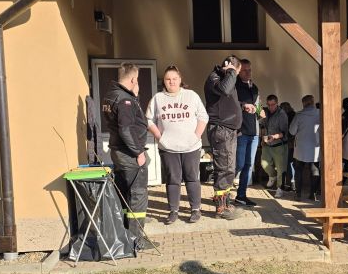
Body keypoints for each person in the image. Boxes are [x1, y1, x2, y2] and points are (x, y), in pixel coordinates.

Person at [146, 65, 208, 225]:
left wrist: (196, 136)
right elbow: (148, 120)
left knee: (192, 177)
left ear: (180, 80)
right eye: (168, 79)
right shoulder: (158, 98)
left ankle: (195, 209)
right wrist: (159, 137)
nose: (171, 82)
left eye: (174, 79)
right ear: (164, 81)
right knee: (173, 179)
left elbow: (203, 116)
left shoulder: (191, 95)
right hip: (168, 147)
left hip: (191, 146)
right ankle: (173, 211)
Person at [102, 62, 150, 247]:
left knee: (124, 195)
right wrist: (139, 152)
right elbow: (126, 129)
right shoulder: (124, 100)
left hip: (118, 152)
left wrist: (135, 96)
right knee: (137, 196)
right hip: (129, 154)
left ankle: (125, 236)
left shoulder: (112, 94)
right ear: (133, 79)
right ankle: (136, 240)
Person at [204, 56, 245, 219]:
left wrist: (242, 106)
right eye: (238, 71)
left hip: (229, 130)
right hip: (221, 129)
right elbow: (225, 90)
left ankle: (226, 203)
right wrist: (231, 72)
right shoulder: (215, 78)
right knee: (224, 169)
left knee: (229, 168)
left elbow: (226, 101)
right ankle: (221, 209)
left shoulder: (224, 78)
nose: (237, 75)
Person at [234, 59, 260, 207]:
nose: (248, 72)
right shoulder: (234, 86)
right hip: (241, 131)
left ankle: (241, 196)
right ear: (238, 71)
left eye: (250, 70)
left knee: (249, 165)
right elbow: (230, 104)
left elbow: (258, 105)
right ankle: (222, 193)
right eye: (245, 70)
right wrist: (243, 106)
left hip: (254, 132)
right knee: (238, 164)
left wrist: (260, 111)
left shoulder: (254, 87)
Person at [289, 95, 320, 201]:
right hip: (316, 147)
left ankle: (298, 194)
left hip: (301, 148)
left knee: (298, 170)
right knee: (314, 170)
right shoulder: (320, 113)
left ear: (303, 103)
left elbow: (292, 131)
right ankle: (313, 194)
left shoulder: (299, 115)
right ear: (313, 102)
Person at [260, 94, 290, 198]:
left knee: (281, 169)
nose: (270, 107)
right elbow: (262, 126)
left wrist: (274, 136)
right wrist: (262, 138)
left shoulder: (282, 114)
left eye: (272, 105)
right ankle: (272, 176)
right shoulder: (265, 111)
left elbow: (285, 133)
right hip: (267, 144)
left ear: (277, 103)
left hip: (279, 145)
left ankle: (280, 188)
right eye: (268, 105)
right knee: (264, 164)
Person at [280, 101, 296, 192]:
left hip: (287, 143)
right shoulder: (295, 115)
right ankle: (292, 184)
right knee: (291, 164)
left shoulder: (285, 116)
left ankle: (285, 184)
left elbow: (287, 131)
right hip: (294, 143)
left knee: (286, 164)